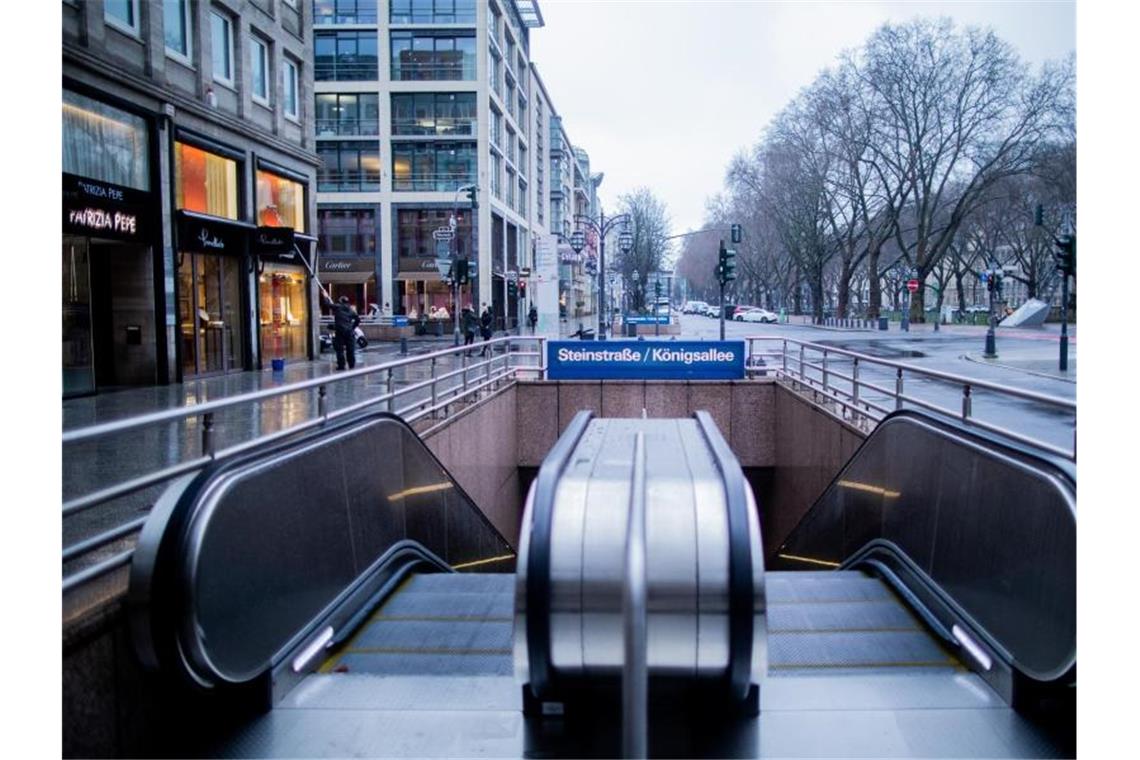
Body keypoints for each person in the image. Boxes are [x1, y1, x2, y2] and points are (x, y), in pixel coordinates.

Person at [323, 293, 360, 370]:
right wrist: (352, 327)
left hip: (340, 332)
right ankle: (351, 365)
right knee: (350, 350)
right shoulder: (351, 310)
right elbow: (358, 319)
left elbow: (327, 304)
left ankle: (341, 365)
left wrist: (325, 296)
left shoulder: (337, 307)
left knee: (339, 350)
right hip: (349, 332)